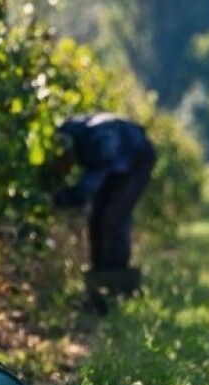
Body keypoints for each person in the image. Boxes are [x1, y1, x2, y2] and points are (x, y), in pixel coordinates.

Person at [50, 113, 156, 305]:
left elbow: (85, 190)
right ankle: (100, 279)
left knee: (114, 216)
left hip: (137, 160)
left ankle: (118, 284)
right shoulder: (69, 133)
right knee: (97, 219)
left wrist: (57, 199)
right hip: (118, 159)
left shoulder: (99, 144)